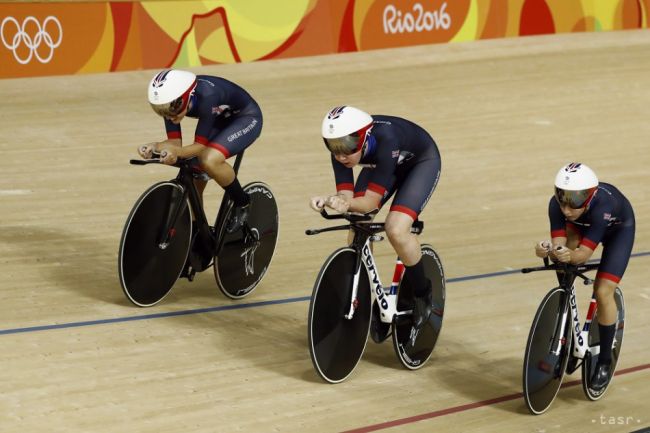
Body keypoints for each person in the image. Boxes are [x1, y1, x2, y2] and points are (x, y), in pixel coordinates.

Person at [310, 106, 441, 330]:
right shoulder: (340, 152)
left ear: (364, 137)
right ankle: (365, 295)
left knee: (396, 230)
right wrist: (332, 199)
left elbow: (368, 203)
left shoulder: (386, 140)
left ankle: (422, 293)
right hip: (383, 165)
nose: (341, 155)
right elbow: (346, 196)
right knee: (357, 227)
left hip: (420, 163)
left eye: (347, 147)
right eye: (333, 147)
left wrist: (345, 203)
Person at [535, 162, 635, 392]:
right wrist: (547, 249)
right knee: (563, 263)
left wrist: (569, 255)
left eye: (575, 200)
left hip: (617, 231)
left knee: (602, 291)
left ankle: (604, 361)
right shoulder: (557, 206)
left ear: (589, 197)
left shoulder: (604, 206)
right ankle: (567, 331)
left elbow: (581, 255)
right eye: (562, 197)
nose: (567, 208)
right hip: (581, 227)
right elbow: (560, 245)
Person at [138, 69, 263, 233]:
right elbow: (175, 142)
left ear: (186, 96)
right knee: (195, 174)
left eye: (172, 108)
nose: (169, 116)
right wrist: (155, 146)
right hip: (219, 117)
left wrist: (176, 153)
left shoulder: (207, 96)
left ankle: (243, 203)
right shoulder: (171, 103)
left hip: (246, 118)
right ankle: (199, 231)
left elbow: (200, 147)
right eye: (160, 110)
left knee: (208, 160)